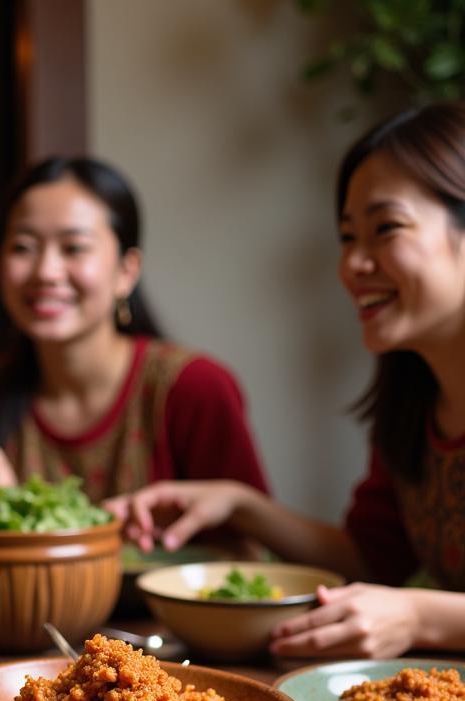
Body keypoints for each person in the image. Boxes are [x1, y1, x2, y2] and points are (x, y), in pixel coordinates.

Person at [114, 103, 465, 659]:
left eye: (386, 229)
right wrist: (240, 505)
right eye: (349, 237)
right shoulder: (416, 401)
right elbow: (373, 557)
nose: (353, 264)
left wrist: (421, 614)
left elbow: (401, 594)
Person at [0, 156, 269, 503]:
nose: (46, 272)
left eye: (74, 248)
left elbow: (250, 546)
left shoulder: (195, 387)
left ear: (126, 272)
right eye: (23, 247)